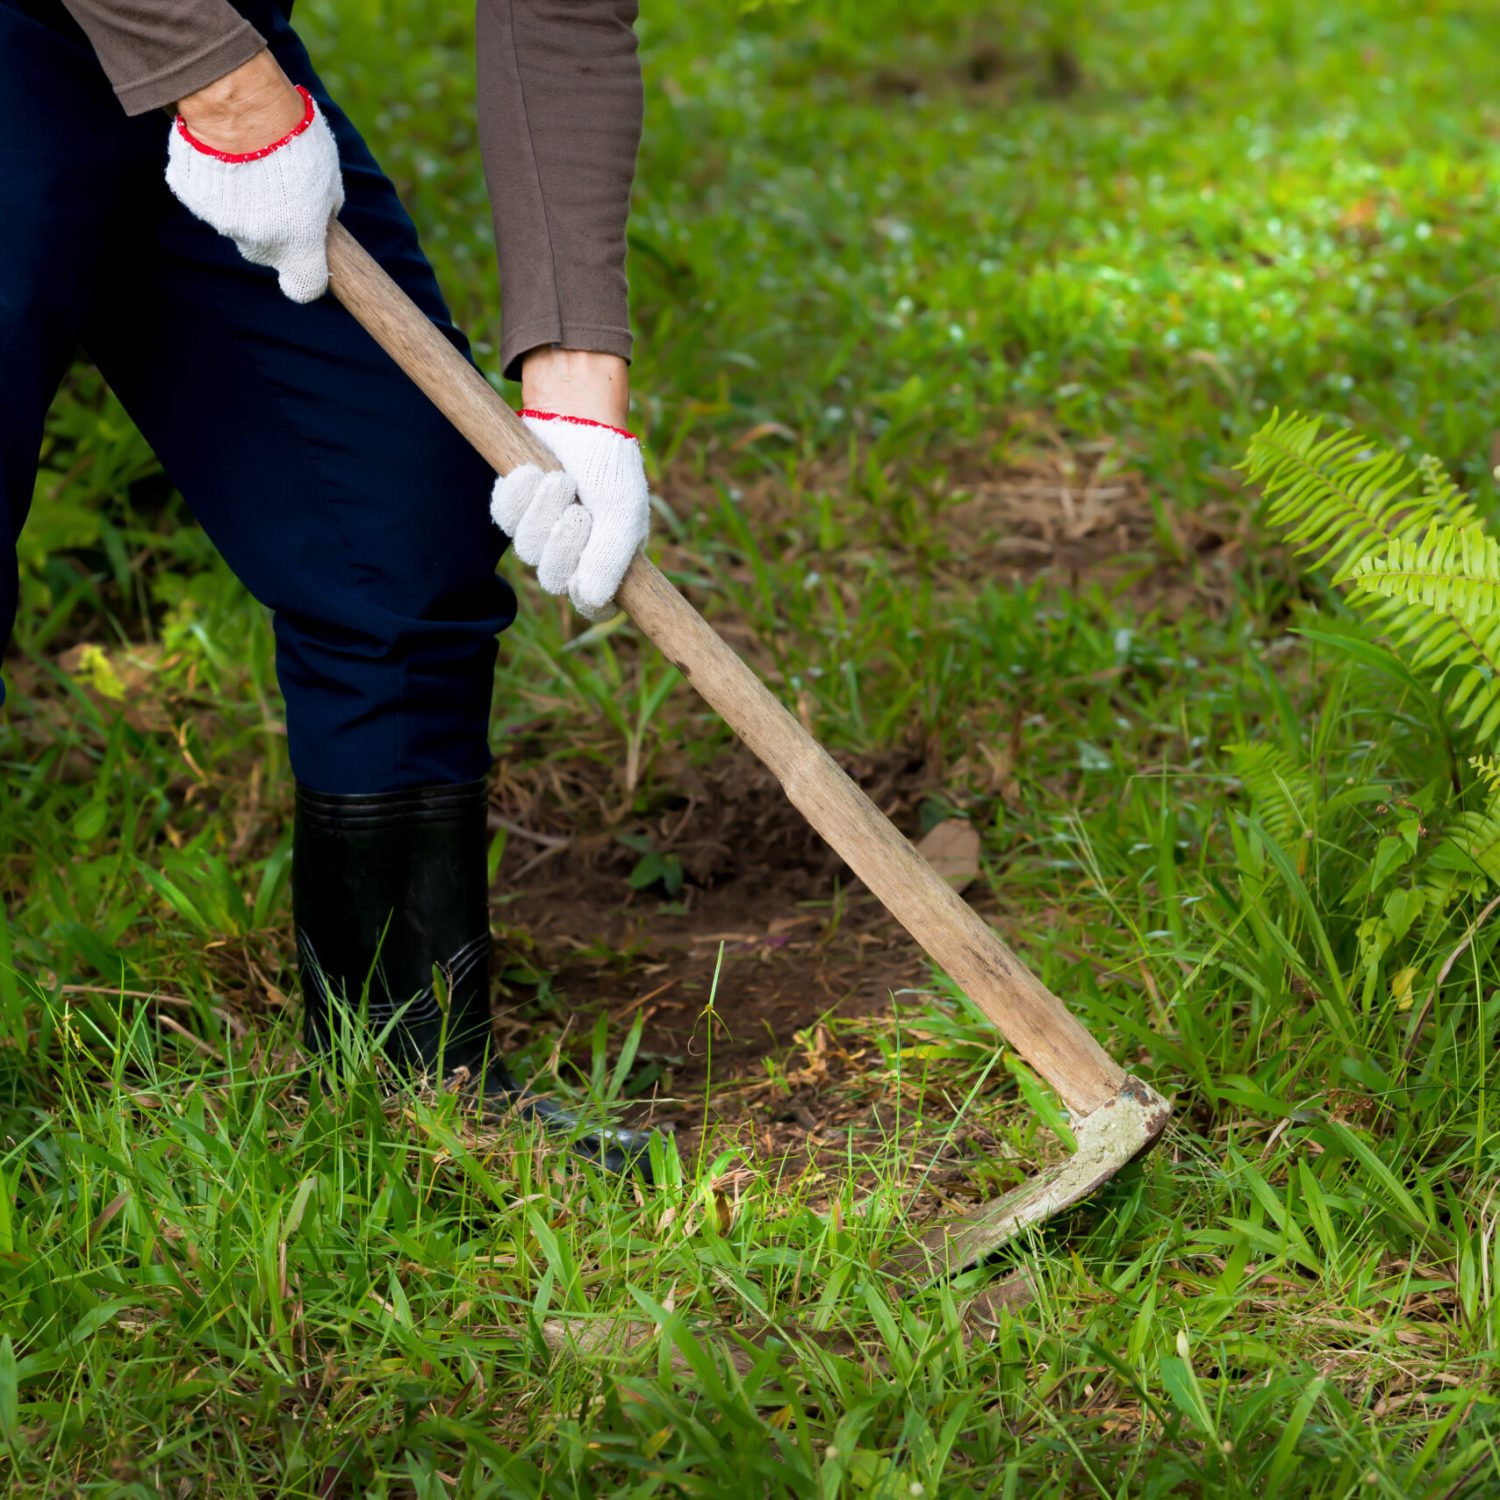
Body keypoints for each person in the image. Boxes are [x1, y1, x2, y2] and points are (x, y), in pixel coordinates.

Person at [1, 0, 654, 1171]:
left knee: (394, 524)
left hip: (207, 43)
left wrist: (575, 377)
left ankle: (409, 1086)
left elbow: (558, 12)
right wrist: (230, 91)